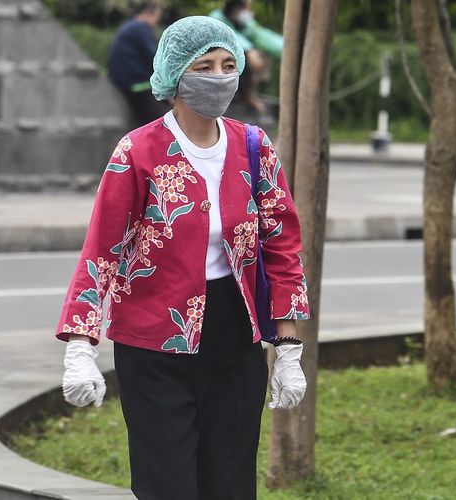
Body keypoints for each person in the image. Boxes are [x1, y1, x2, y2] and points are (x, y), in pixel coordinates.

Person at [58, 16, 310, 499]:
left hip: (234, 338)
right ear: (175, 75)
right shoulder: (137, 152)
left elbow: (282, 247)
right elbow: (102, 249)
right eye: (204, 66)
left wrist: (289, 347)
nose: (218, 77)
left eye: (228, 64)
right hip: (153, 342)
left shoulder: (254, 147)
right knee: (166, 485)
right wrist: (80, 346)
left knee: (230, 483)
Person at [209, 0, 284, 115]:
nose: (249, 11)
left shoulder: (243, 22)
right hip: (219, 63)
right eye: (247, 8)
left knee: (257, 55)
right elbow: (231, 37)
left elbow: (260, 35)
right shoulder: (216, 18)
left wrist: (285, 48)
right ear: (236, 8)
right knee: (243, 57)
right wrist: (249, 51)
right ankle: (246, 95)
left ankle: (248, 94)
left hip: (239, 66)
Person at [107, 1, 170, 128]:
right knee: (160, 119)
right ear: (148, 14)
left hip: (123, 79)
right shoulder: (141, 27)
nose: (156, 22)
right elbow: (155, 58)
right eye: (156, 17)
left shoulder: (130, 26)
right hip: (135, 83)